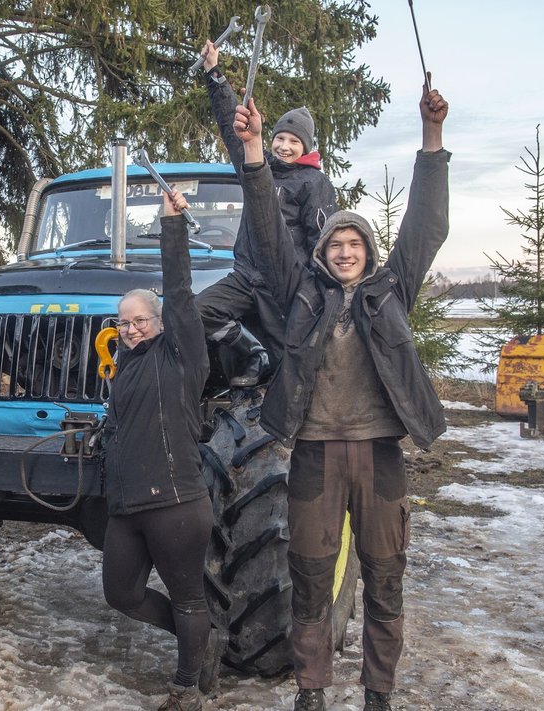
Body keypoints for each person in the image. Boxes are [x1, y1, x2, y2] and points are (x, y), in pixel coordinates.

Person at [230, 76, 450, 711]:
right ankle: (312, 690)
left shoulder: (391, 290)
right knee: (309, 581)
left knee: (384, 578)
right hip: (315, 459)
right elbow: (269, 226)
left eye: (356, 244)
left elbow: (427, 226)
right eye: (337, 244)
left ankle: (378, 692)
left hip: (379, 459)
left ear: (369, 252)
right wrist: (253, 154)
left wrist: (432, 136)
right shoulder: (301, 294)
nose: (347, 252)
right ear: (322, 253)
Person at [100, 190, 222, 711]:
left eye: (139, 320)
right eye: (123, 323)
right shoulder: (126, 364)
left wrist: (172, 227)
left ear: (161, 320)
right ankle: (202, 639)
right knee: (120, 594)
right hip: (128, 506)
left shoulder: (181, 353)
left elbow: (178, 288)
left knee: (189, 594)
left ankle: (186, 685)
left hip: (175, 501)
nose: (130, 330)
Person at [194, 40, 340, 386]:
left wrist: (317, 291)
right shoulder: (257, 166)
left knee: (287, 366)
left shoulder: (313, 182)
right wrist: (214, 74)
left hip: (285, 283)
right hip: (246, 275)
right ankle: (250, 350)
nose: (285, 146)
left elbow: (320, 240)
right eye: (280, 138)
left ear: (306, 147)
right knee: (198, 312)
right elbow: (235, 129)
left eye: (294, 141)